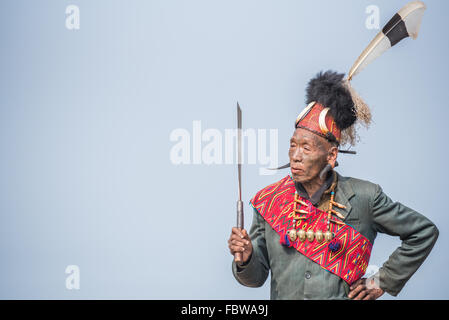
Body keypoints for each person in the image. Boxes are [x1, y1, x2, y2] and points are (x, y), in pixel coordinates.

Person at [228, 71, 439, 300]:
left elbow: (423, 232)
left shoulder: (365, 197)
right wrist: (247, 257)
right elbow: (255, 278)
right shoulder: (269, 201)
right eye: (292, 145)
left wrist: (382, 280)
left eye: (306, 148)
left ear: (331, 155)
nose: (295, 156)